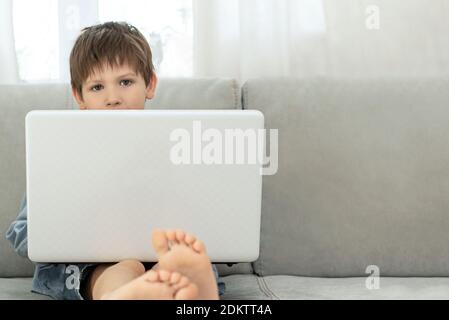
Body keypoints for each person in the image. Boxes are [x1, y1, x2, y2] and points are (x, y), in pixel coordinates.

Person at [6, 21, 226, 300]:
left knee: (177, 265)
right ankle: (124, 295)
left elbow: (214, 221)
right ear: (79, 96)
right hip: (93, 262)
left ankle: (180, 288)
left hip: (165, 254)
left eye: (125, 82)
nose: (113, 98)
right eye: (97, 87)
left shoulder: (179, 147)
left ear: (150, 84)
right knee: (123, 266)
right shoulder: (63, 153)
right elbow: (22, 230)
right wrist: (71, 226)